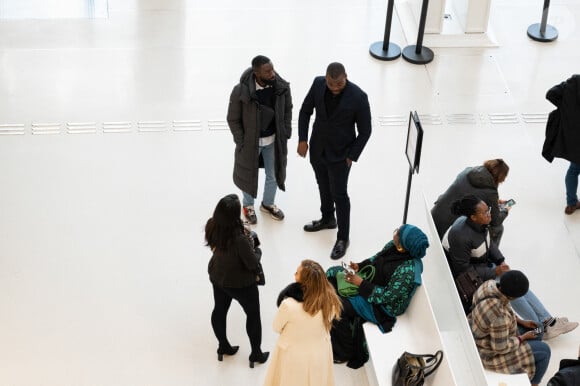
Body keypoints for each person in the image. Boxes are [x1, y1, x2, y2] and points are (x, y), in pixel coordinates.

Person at [442, 194, 578, 339]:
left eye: (488, 209)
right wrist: (494, 271)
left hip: (482, 266)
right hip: (469, 280)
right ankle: (541, 327)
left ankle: (547, 321)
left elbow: (488, 243)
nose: (489, 213)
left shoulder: (478, 224)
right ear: (473, 217)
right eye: (485, 212)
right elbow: (462, 270)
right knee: (510, 287)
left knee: (514, 279)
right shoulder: (460, 235)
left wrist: (500, 261)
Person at [325, 224, 429, 368]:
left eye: (398, 233)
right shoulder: (393, 246)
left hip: (383, 305)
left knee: (338, 307)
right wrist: (360, 266)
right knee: (331, 274)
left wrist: (360, 284)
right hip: (370, 283)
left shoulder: (408, 271)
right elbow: (376, 258)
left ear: (402, 247)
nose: (395, 233)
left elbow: (387, 296)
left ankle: (342, 351)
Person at [297, 62, 372, 260]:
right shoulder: (318, 84)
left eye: (338, 83)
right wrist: (302, 139)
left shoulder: (359, 97)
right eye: (331, 83)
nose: (335, 87)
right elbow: (305, 111)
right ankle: (328, 218)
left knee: (339, 194)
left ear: (345, 77)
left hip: (341, 155)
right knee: (322, 185)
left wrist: (351, 156)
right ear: (326, 78)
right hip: (318, 149)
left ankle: (343, 238)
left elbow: (365, 131)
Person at [205, 194, 269, 368]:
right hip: (240, 283)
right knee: (253, 315)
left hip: (218, 277)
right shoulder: (239, 240)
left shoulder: (212, 226)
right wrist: (256, 247)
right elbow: (253, 263)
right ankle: (256, 353)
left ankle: (222, 346)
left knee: (219, 310)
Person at [227, 55, 292, 224]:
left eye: (272, 68)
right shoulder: (241, 91)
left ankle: (268, 203)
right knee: (249, 174)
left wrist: (285, 132)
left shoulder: (281, 87)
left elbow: (287, 110)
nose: (272, 73)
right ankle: (248, 205)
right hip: (250, 143)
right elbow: (233, 119)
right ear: (257, 73)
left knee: (273, 174)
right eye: (267, 71)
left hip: (273, 142)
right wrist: (241, 141)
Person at [263, 260, 342, 386]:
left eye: (297, 273)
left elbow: (276, 327)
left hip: (292, 357)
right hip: (319, 355)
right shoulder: (331, 302)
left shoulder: (288, 305)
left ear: (305, 281)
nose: (294, 274)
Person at [469, 270, 551, 386]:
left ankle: (527, 360)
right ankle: (534, 383)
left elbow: (504, 306)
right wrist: (522, 338)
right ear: (513, 297)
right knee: (544, 350)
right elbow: (500, 348)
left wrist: (521, 321)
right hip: (487, 352)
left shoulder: (489, 284)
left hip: (484, 329)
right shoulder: (499, 316)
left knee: (538, 329)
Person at [431, 159, 511, 245]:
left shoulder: (467, 170)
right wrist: (505, 210)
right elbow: (495, 221)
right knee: (498, 228)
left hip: (434, 216)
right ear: (500, 178)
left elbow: (466, 193)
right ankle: (489, 257)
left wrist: (493, 202)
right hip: (448, 231)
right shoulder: (491, 192)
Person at [543, 74, 580, 215]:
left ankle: (571, 204)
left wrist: (565, 107)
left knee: (574, 169)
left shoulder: (575, 81)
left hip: (572, 137)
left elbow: (550, 94)